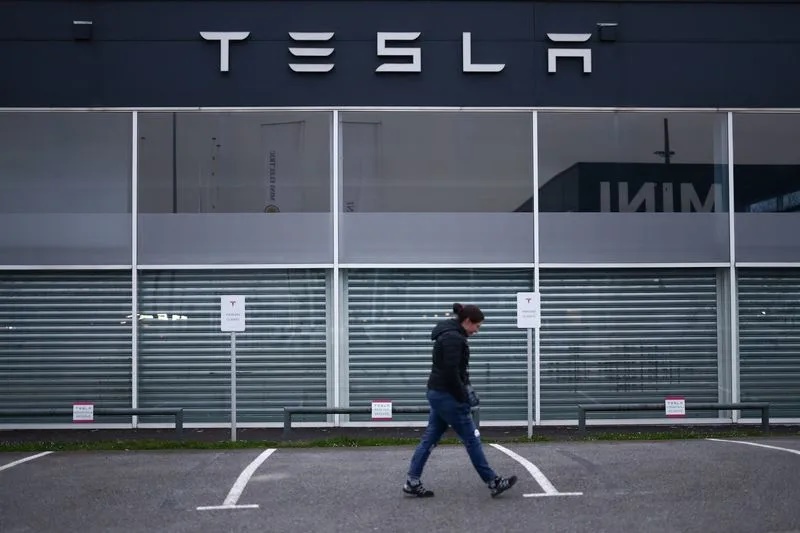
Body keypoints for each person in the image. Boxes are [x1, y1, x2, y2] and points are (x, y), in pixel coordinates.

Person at [403, 302, 518, 498]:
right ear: (467, 321)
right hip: (447, 396)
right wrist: (463, 397)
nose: (477, 331)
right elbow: (451, 373)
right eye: (477, 326)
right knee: (472, 439)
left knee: (430, 438)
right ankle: (493, 482)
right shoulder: (453, 339)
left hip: (438, 393)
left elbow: (456, 371)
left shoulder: (449, 334)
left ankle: (412, 481)